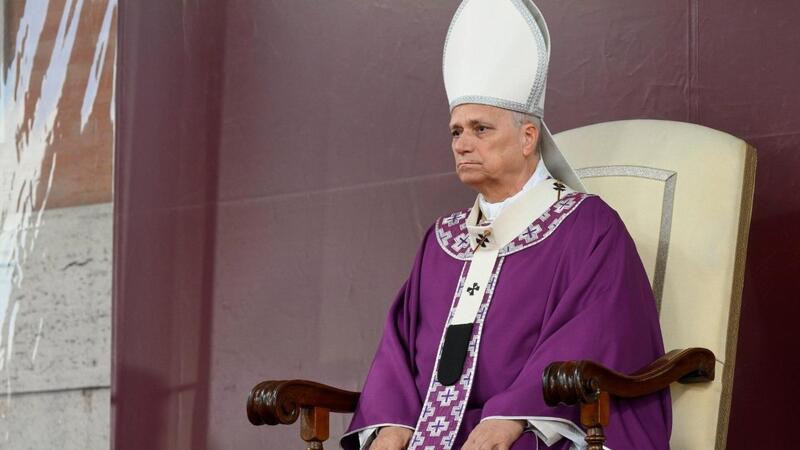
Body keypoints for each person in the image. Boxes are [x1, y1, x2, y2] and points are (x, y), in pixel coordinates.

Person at [341, 1, 671, 449]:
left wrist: (513, 415)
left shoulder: (587, 228)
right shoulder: (442, 241)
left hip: (533, 432)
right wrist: (391, 422)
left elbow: (597, 336)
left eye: (481, 129)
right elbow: (395, 353)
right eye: (456, 131)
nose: (463, 144)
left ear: (528, 137)